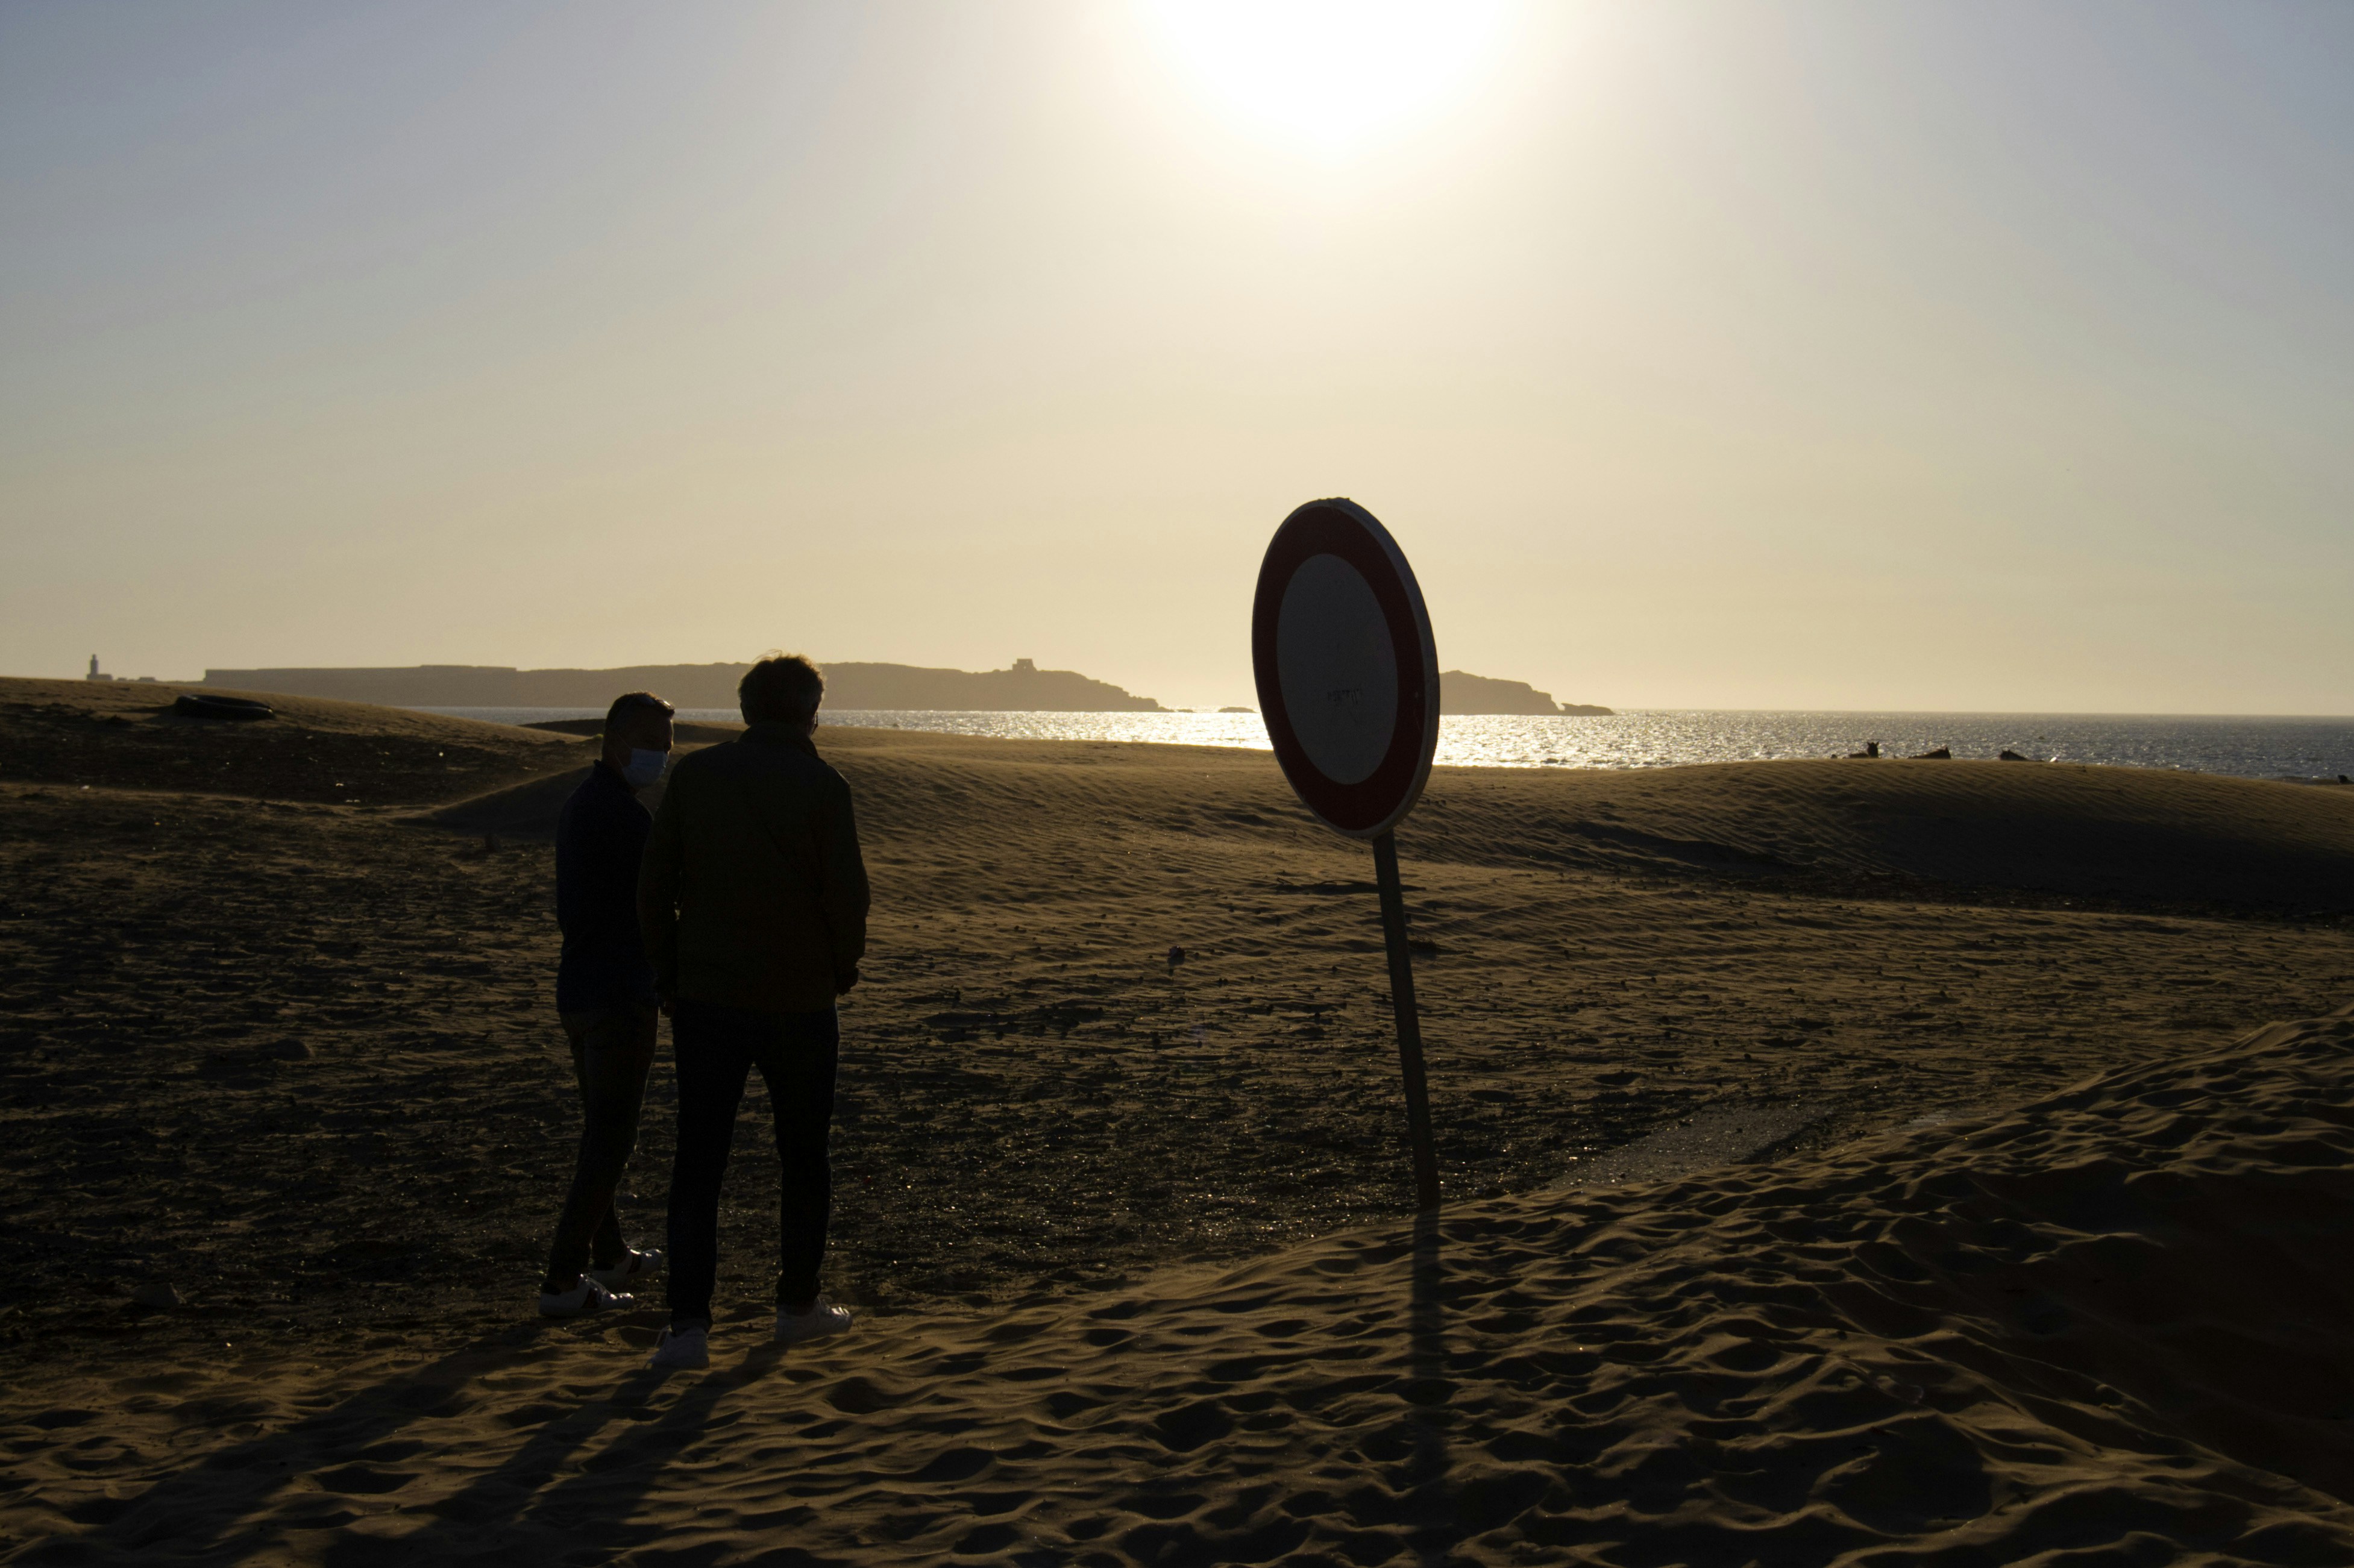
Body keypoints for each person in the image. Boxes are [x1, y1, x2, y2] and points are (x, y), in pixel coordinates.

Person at [639, 653, 870, 1368]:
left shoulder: (697, 776)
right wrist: (841, 968)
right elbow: (848, 895)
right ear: (808, 712)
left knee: (698, 1160)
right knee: (804, 1157)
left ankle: (688, 1325)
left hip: (708, 996)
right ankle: (796, 1305)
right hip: (800, 1002)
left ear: (746, 711)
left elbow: (655, 885)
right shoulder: (824, 785)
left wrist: (669, 972)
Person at [538, 691, 676, 1317]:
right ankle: (563, 1282)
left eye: (668, 742)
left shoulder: (582, 805)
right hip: (617, 994)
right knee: (611, 1139)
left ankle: (611, 1254)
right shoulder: (620, 815)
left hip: (581, 989)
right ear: (616, 741)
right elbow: (651, 907)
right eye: (652, 740)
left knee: (602, 1129)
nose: (662, 753)